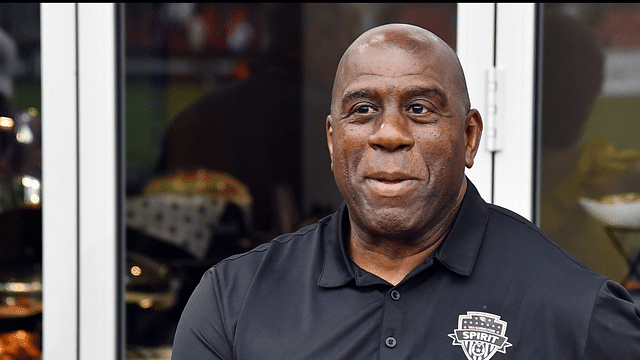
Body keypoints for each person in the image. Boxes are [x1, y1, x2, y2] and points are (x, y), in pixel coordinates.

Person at [171, 23, 640, 359]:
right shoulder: (234, 301)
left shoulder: (574, 311)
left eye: (419, 108)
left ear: (469, 137)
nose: (389, 133)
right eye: (362, 110)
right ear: (334, 141)